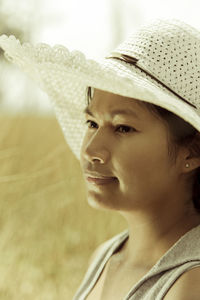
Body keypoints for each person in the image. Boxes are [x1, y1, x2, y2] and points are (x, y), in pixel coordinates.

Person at [0, 18, 200, 299]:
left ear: (191, 152)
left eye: (123, 127)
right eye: (92, 123)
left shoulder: (190, 283)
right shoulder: (105, 257)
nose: (91, 150)